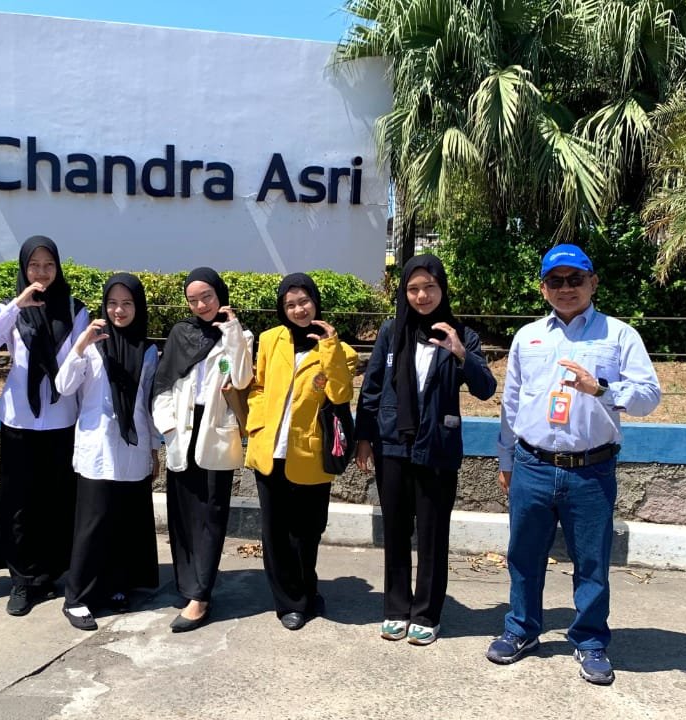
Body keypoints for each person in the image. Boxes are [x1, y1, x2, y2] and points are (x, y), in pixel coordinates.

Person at [487, 244, 660, 685]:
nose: (566, 288)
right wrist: (506, 458)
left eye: (575, 279)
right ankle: (522, 629)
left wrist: (600, 389)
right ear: (543, 288)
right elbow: (511, 402)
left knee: (591, 562)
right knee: (523, 556)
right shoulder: (528, 336)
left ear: (593, 283)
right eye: (556, 281)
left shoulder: (619, 335)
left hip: (591, 470)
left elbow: (648, 398)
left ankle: (589, 640)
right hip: (533, 464)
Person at [354, 254, 497, 646]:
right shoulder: (391, 331)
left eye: (429, 287)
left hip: (437, 447)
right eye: (413, 289)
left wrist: (460, 353)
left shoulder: (461, 334)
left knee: (433, 535)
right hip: (392, 444)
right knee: (396, 531)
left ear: (442, 289)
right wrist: (363, 438)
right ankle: (396, 608)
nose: (421, 296)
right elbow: (371, 387)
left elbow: (486, 388)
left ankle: (427, 613)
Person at [0, 236, 87, 617]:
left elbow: (82, 366)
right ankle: (21, 579)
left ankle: (49, 575)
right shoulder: (11, 309)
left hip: (61, 420)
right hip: (20, 421)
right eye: (34, 265)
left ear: (58, 268)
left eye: (49, 265)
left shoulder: (75, 310)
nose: (42, 272)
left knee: (56, 501)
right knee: (20, 504)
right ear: (24, 268)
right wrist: (15, 306)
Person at [243, 273, 357, 630]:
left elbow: (340, 395)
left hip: (310, 453)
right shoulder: (269, 339)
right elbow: (258, 386)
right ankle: (290, 602)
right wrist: (258, 421)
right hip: (270, 450)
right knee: (275, 533)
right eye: (290, 304)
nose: (298, 309)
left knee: (307, 532)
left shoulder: (340, 350)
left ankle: (307, 588)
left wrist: (330, 347)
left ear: (315, 302)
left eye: (304, 301)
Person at [54, 273, 161, 631]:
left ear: (138, 307)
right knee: (93, 524)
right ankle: (76, 598)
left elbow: (148, 403)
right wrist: (80, 345)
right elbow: (64, 385)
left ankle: (116, 585)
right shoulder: (91, 345)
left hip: (133, 447)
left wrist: (154, 449)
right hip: (96, 448)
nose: (119, 310)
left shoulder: (148, 350)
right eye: (112, 303)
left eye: (127, 303)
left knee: (123, 523)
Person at [151, 267, 253, 632]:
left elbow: (241, 377)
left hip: (214, 433)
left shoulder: (239, 335)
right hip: (181, 431)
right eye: (193, 300)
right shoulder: (181, 333)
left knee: (211, 515)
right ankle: (187, 584)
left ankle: (201, 595)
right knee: (182, 514)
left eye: (207, 296)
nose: (201, 305)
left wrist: (232, 331)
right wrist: (167, 425)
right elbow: (163, 383)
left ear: (219, 294)